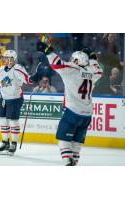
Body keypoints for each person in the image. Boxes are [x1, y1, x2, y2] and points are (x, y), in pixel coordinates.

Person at [37, 35, 103, 166]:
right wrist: (93, 57)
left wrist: (47, 51)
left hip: (73, 111)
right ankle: (75, 162)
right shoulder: (92, 73)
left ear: (77, 61)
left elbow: (57, 64)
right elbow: (99, 71)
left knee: (63, 138)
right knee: (77, 142)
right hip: (87, 114)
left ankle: (67, 161)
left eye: (73, 59)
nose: (71, 61)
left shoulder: (72, 70)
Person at [0, 50, 36, 155]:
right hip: (3, 98)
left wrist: (32, 79)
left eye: (7, 58)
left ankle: (13, 143)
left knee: (13, 121)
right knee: (3, 120)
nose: (4, 59)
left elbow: (27, 80)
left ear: (12, 59)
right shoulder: (1, 69)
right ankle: (5, 143)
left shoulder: (18, 69)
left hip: (15, 99)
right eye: (4, 57)